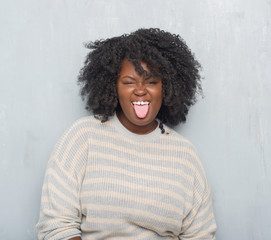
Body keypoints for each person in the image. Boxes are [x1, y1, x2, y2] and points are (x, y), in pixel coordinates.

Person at [36, 28, 217, 240]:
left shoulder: (185, 155)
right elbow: (56, 225)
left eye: (151, 82)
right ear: (113, 86)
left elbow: (201, 235)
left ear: (166, 87)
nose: (140, 90)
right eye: (129, 82)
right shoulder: (82, 138)